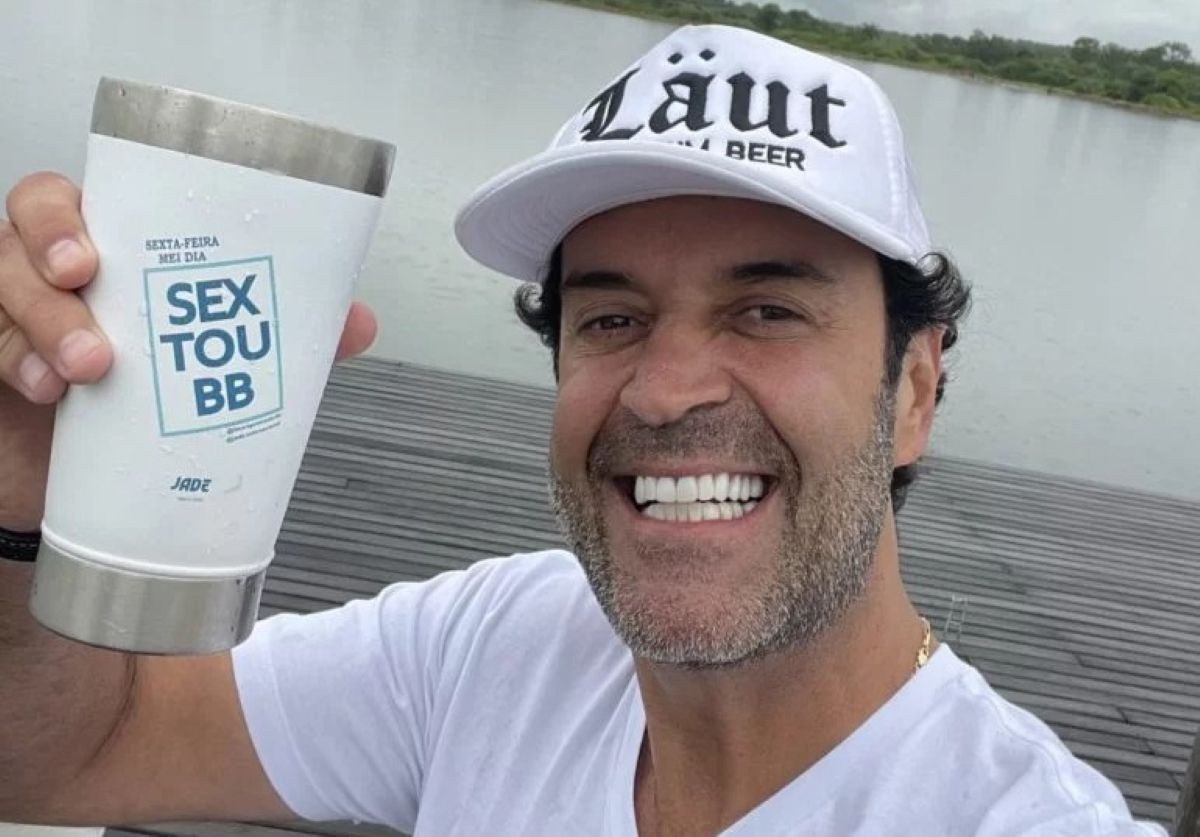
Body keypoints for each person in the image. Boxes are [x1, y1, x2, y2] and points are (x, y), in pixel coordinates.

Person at [0, 23, 1166, 837]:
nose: (664, 391)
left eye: (767, 310)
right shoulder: (495, 647)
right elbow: (69, 755)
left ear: (911, 389)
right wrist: (23, 495)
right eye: (612, 317)